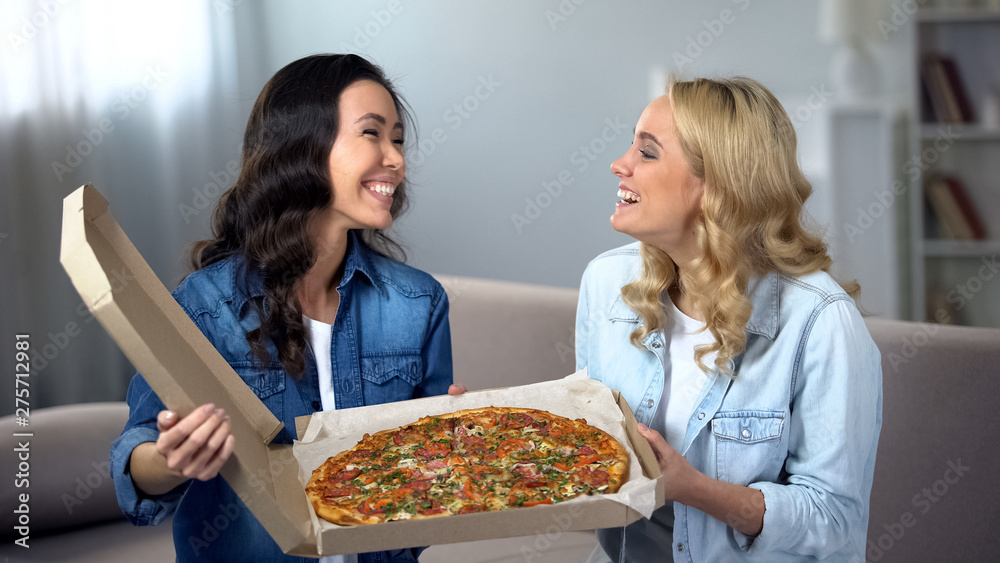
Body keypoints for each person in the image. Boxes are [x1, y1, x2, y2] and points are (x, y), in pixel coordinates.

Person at [110, 54, 462, 562]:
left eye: (399, 139)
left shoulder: (419, 303)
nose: (397, 158)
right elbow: (136, 462)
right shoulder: (203, 307)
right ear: (304, 147)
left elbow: (426, 508)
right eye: (372, 134)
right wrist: (170, 459)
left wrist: (454, 452)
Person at [575, 76, 882, 562]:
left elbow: (835, 522)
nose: (620, 164)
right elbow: (593, 452)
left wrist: (693, 488)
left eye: (647, 152)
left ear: (716, 184)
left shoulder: (820, 320)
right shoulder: (606, 282)